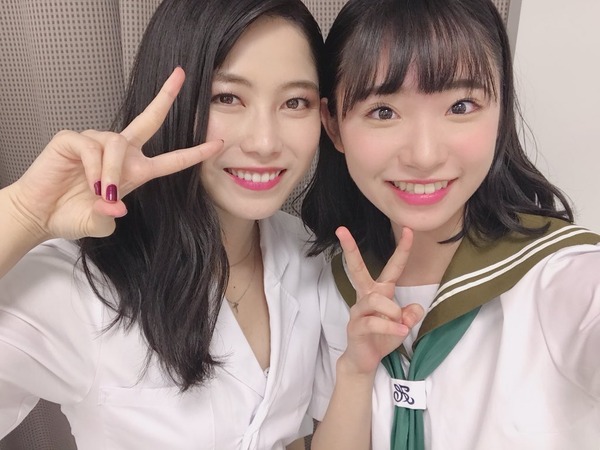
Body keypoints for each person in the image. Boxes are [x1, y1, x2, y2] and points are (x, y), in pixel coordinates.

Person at [0, 0, 326, 448]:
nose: (265, 142)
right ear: (170, 104)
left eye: (295, 102)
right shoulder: (83, 283)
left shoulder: (309, 252)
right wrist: (21, 214)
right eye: (226, 97)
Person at [302, 0, 600, 449]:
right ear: (333, 126)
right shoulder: (328, 286)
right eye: (383, 111)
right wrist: (355, 372)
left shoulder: (558, 276)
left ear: (501, 110)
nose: (424, 156)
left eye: (461, 106)